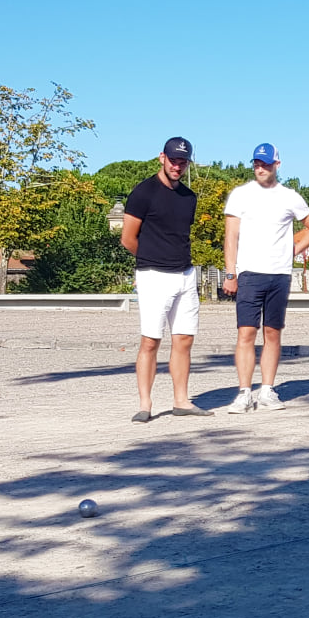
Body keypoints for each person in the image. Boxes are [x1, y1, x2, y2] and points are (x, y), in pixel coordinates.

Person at [221, 143, 309, 412]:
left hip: (279, 274)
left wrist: (294, 250)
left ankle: (267, 390)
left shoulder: (290, 197)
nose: (260, 168)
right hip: (249, 273)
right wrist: (230, 273)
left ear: (277, 165)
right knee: (246, 333)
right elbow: (230, 237)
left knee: (272, 333)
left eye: (266, 163)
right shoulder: (240, 196)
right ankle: (244, 393)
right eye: (256, 163)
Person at [121, 137, 211, 422]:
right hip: (153, 275)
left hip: (185, 274)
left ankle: (181, 400)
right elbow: (128, 239)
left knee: (183, 339)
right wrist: (150, 259)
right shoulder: (143, 193)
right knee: (151, 340)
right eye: (173, 160)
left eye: (183, 162)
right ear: (162, 157)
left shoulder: (189, 197)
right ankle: (145, 405)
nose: (177, 165)